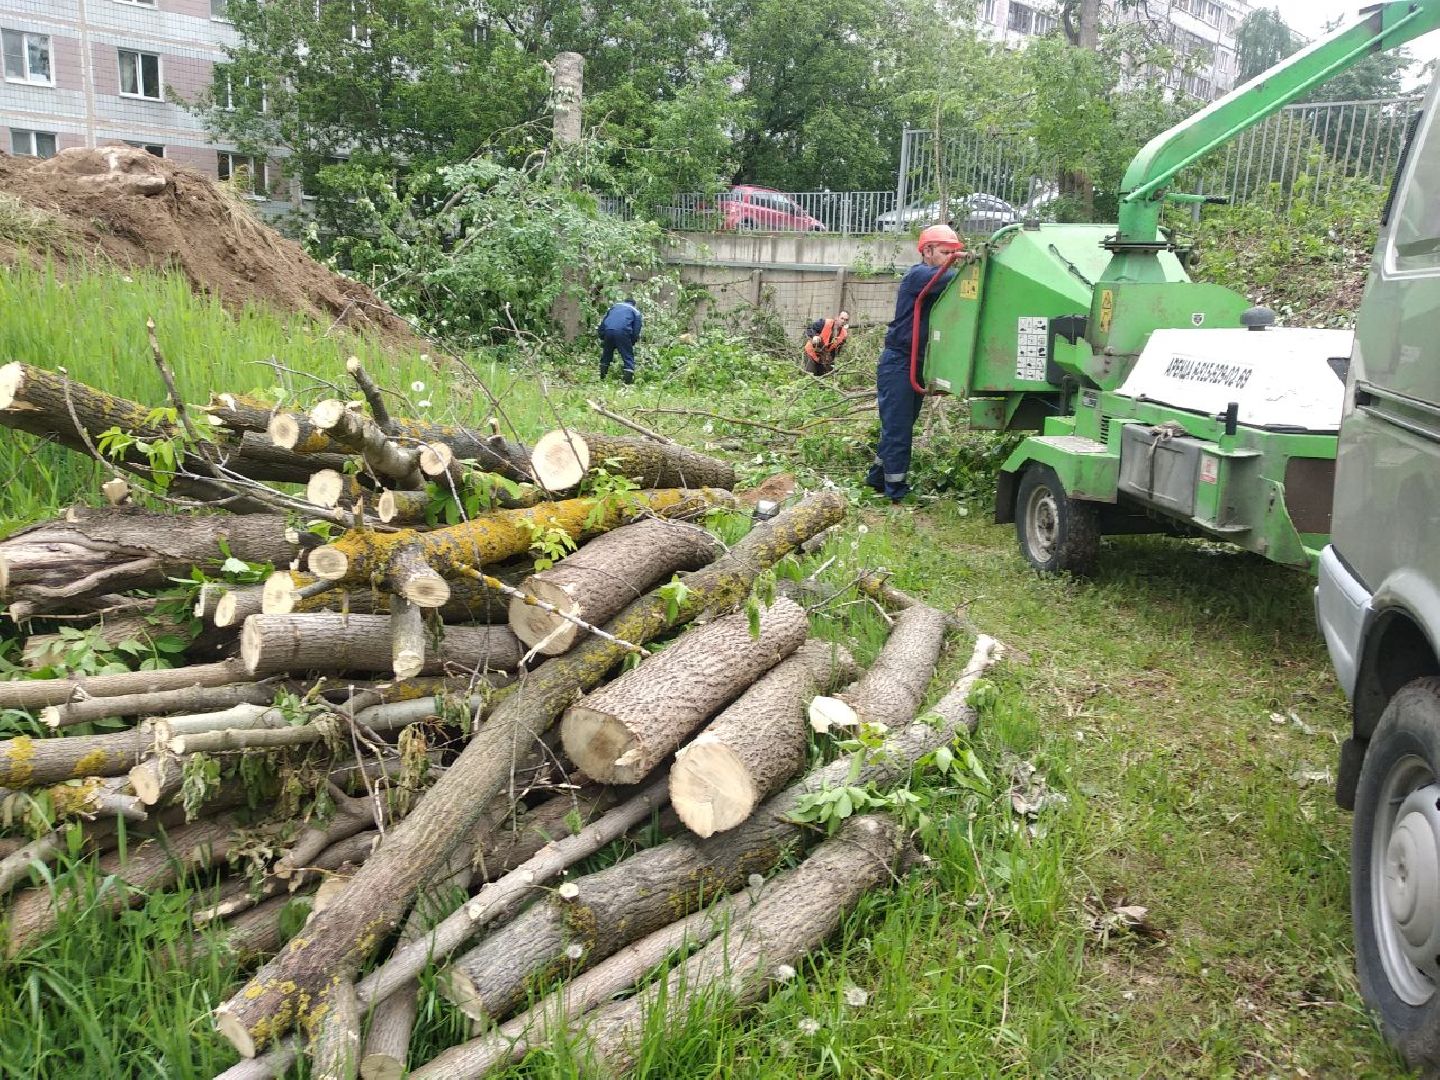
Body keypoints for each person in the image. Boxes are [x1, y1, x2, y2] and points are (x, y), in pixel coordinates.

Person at [865, 224, 966, 504]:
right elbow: (955, 279)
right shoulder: (918, 275)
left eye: (953, 253)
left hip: (916, 362)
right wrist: (969, 264)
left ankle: (876, 478)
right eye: (946, 253)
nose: (950, 258)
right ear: (927, 251)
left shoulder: (937, 277)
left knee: (901, 424)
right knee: (897, 428)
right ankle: (895, 491)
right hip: (898, 362)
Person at [597, 297, 643, 384]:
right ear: (634, 304)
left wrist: (602, 336)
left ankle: (602, 378)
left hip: (608, 330)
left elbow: (603, 323)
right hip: (623, 332)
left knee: (607, 354)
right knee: (627, 356)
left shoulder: (613, 307)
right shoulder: (635, 311)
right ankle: (628, 382)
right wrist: (631, 342)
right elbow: (636, 329)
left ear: (624, 302)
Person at [802, 309, 850, 376]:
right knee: (810, 376)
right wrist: (814, 336)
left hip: (823, 357)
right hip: (811, 352)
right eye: (842, 318)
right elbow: (809, 329)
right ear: (837, 318)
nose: (843, 321)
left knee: (823, 377)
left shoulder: (844, 335)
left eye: (846, 320)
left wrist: (830, 362)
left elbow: (835, 352)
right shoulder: (824, 323)